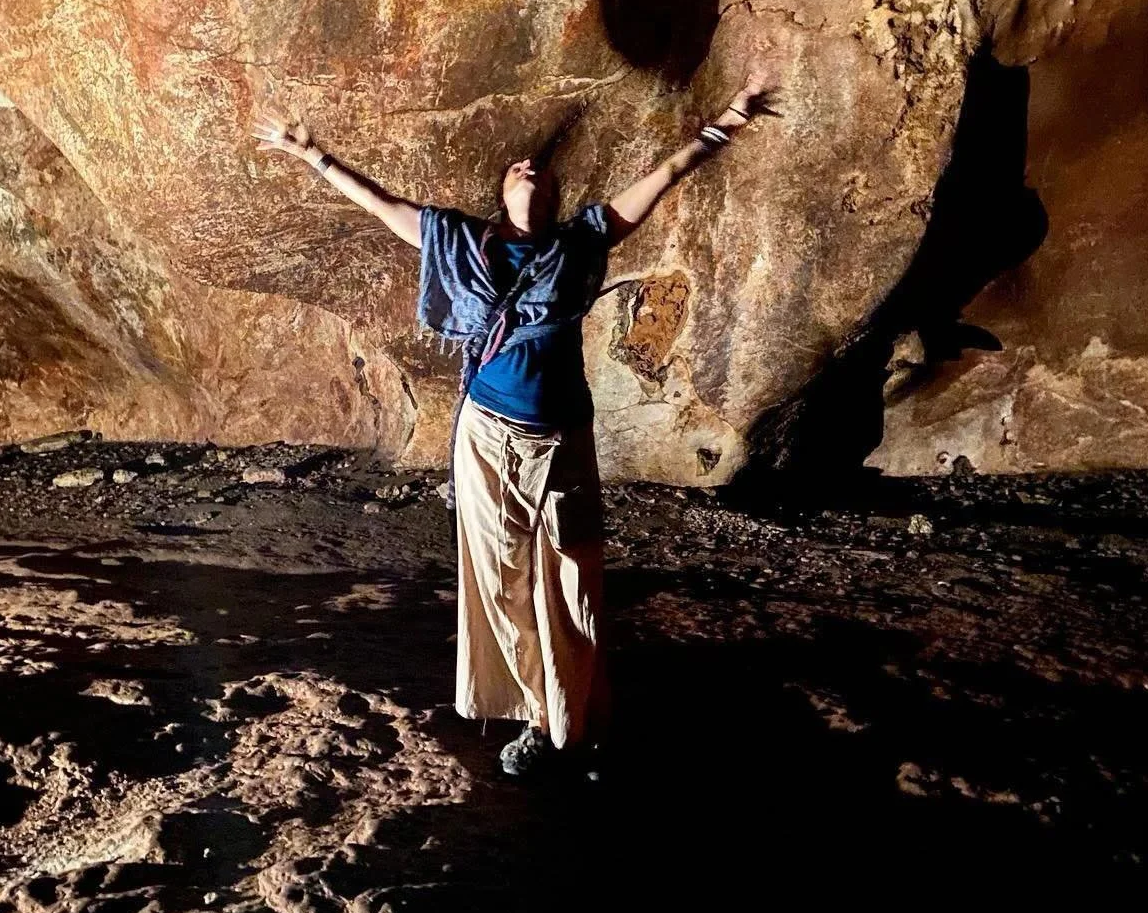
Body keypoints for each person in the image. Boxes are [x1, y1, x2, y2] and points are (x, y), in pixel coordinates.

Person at [251, 72, 775, 778]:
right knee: (501, 579)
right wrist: (310, 152)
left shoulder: (582, 241)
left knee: (572, 580)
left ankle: (579, 719)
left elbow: (664, 176)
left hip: (562, 438)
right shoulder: (458, 241)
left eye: (543, 173)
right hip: (488, 433)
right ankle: (537, 716)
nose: (532, 168)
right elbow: (380, 204)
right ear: (501, 191)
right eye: (519, 167)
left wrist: (730, 120)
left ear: (554, 198)